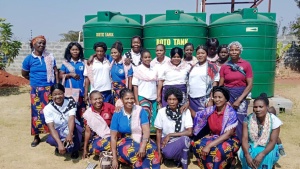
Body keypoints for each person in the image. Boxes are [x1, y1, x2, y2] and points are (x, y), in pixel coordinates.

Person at [21, 35, 59, 147]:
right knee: (37, 113)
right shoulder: (29, 59)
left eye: (43, 43)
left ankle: (53, 134)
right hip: (36, 89)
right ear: (34, 45)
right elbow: (24, 73)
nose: (42, 45)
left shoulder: (50, 57)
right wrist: (34, 81)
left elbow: (56, 71)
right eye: (39, 43)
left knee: (52, 111)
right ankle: (36, 136)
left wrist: (56, 85)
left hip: (50, 88)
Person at [191, 86, 240, 169]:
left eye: (220, 97)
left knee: (218, 150)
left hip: (229, 139)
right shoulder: (210, 110)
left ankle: (227, 162)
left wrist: (209, 145)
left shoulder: (231, 113)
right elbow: (197, 116)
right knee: (196, 144)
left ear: (226, 99)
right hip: (214, 137)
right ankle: (208, 165)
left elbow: (228, 134)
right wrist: (187, 107)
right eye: (215, 97)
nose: (217, 100)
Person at [110, 88, 160, 169]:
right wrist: (114, 159)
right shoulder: (117, 114)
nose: (130, 101)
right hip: (125, 141)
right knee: (133, 152)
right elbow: (113, 137)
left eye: (132, 98)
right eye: (127, 98)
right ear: (122, 100)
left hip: (141, 138)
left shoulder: (140, 111)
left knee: (152, 150)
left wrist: (143, 146)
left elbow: (146, 130)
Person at [219, 41, 253, 142]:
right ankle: (228, 145)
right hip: (228, 95)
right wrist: (224, 100)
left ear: (240, 51)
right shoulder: (225, 66)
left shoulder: (246, 65)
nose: (234, 52)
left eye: (236, 50)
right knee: (227, 119)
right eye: (232, 50)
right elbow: (221, 84)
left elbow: (250, 84)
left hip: (241, 94)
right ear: (229, 52)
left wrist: (239, 100)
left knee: (241, 119)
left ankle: (241, 145)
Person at [239, 93, 282, 169]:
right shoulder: (248, 120)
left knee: (267, 156)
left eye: (261, 107)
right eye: (255, 107)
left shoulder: (274, 120)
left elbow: (272, 141)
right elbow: (245, 139)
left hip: (268, 147)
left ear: (267, 107)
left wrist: (261, 154)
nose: (258, 109)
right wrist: (247, 155)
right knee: (245, 153)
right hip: (252, 144)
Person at [154, 87, 193, 169]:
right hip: (165, 140)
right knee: (168, 154)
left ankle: (184, 164)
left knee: (185, 139)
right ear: (166, 100)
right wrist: (159, 152)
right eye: (169, 99)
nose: (171, 102)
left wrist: (170, 134)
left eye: (174, 99)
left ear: (178, 100)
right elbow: (158, 132)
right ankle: (180, 157)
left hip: (180, 139)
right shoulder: (162, 112)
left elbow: (189, 132)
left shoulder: (185, 111)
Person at [44, 84, 82, 159]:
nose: (58, 96)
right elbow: (51, 128)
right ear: (51, 95)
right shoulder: (48, 108)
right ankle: (60, 146)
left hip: (71, 126)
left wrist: (70, 134)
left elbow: (71, 118)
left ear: (64, 93)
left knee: (77, 129)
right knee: (51, 139)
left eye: (60, 93)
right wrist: (59, 143)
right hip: (59, 129)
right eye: (55, 94)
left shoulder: (70, 101)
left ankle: (75, 149)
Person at [59, 42, 86, 127]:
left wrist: (86, 93)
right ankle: (71, 132)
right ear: (69, 51)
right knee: (70, 113)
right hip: (69, 93)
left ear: (80, 51)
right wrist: (70, 74)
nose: (75, 51)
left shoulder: (83, 63)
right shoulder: (66, 63)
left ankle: (81, 132)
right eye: (73, 49)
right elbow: (60, 75)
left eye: (77, 50)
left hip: (81, 92)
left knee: (81, 112)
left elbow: (87, 78)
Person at [82, 90, 115, 159]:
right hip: (100, 137)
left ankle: (113, 150)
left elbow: (118, 117)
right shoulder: (88, 113)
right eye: (95, 99)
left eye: (100, 98)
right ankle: (112, 149)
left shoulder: (108, 106)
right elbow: (87, 132)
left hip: (113, 135)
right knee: (93, 149)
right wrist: (85, 149)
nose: (98, 101)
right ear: (90, 101)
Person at [133, 49, 158, 134]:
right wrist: (136, 101)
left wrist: (158, 96)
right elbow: (135, 86)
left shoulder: (154, 69)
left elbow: (157, 84)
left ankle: (152, 140)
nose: (147, 59)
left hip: (153, 97)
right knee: (144, 117)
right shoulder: (138, 70)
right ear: (141, 59)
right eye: (145, 57)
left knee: (153, 118)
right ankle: (143, 138)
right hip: (142, 96)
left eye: (149, 57)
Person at [188, 45, 219, 113]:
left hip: (204, 99)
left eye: (202, 53)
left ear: (206, 54)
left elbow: (215, 83)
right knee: (194, 120)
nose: (200, 55)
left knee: (203, 120)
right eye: (198, 53)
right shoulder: (193, 67)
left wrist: (211, 99)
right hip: (192, 98)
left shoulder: (211, 66)